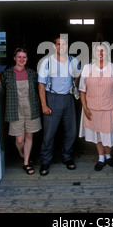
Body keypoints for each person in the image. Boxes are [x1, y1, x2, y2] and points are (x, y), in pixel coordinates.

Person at [38, 35, 81, 176]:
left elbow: (77, 75)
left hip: (68, 99)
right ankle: (45, 161)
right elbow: (41, 85)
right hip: (52, 98)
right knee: (49, 133)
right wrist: (44, 105)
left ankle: (67, 158)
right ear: (53, 46)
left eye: (63, 44)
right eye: (58, 44)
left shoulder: (72, 60)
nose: (61, 46)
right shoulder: (46, 62)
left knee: (71, 131)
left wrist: (74, 86)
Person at [79, 42, 113, 171]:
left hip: (109, 108)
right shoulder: (87, 68)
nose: (100, 53)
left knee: (108, 133)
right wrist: (85, 109)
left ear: (107, 53)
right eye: (97, 51)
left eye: (103, 51)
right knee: (97, 134)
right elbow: (82, 91)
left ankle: (108, 155)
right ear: (94, 53)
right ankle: (101, 158)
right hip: (92, 108)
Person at [0, 47, 42, 175]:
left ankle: (26, 162)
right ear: (14, 58)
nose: (21, 59)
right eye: (19, 57)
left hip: (31, 108)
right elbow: (1, 93)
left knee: (29, 135)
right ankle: (22, 154)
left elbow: (39, 90)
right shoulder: (7, 74)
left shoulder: (32, 74)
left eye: (24, 57)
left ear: (27, 59)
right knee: (19, 140)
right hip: (15, 109)